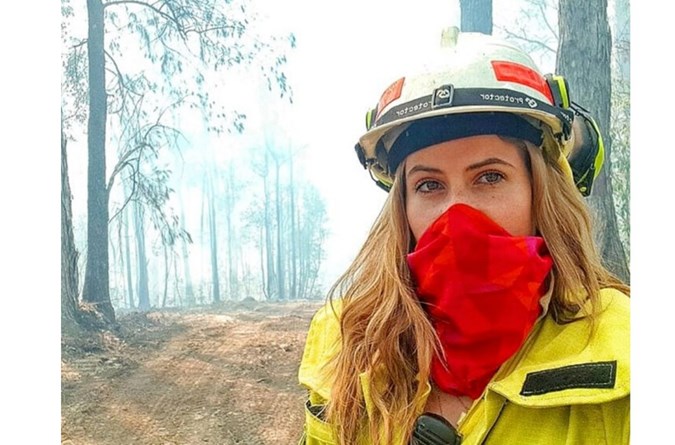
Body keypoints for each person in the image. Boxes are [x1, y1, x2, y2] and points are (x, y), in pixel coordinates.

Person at [297, 29, 629, 445]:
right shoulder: (346, 339)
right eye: (429, 185)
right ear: (402, 208)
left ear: (539, 192)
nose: (457, 215)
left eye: (490, 177)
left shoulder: (630, 347)